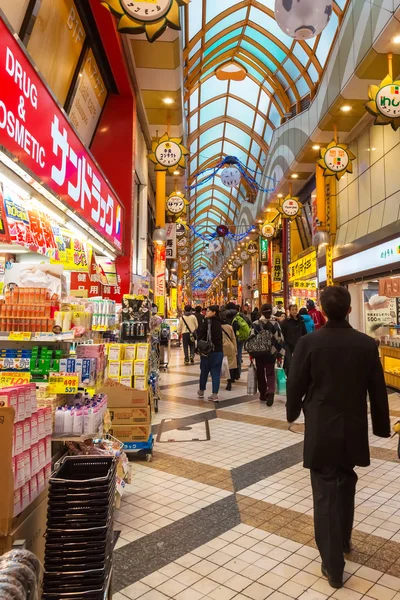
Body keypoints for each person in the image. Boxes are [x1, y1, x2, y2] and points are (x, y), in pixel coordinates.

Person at [286, 286, 390, 590]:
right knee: (347, 479)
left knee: (324, 488)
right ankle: (343, 540)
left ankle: (333, 565)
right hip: (353, 424)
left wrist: (293, 412)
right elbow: (377, 389)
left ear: (321, 308)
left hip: (321, 426)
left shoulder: (309, 343)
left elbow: (295, 384)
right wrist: (381, 427)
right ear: (349, 310)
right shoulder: (366, 344)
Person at [250, 303, 285, 406]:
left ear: (261, 312)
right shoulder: (276, 324)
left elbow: (251, 338)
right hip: (272, 351)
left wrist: (251, 354)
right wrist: (280, 354)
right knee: (270, 372)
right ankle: (271, 391)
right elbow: (280, 339)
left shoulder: (256, 323)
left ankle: (262, 394)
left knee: (260, 372)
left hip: (259, 352)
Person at [197, 306, 224, 401]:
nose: (206, 312)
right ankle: (215, 394)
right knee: (216, 373)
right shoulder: (220, 322)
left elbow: (200, 335)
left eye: (208, 311)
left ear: (214, 312)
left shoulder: (207, 322)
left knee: (204, 371)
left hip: (207, 351)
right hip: (218, 351)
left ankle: (201, 391)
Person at [280, 304, 307, 376]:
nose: (294, 311)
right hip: (288, 344)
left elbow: (304, 332)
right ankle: (288, 375)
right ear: (289, 311)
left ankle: (297, 376)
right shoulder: (286, 322)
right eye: (293, 309)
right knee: (288, 361)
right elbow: (282, 334)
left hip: (299, 343)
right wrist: (283, 344)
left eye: (296, 309)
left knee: (299, 361)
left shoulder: (301, 320)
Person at [221, 314, 238, 391]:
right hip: (230, 347)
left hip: (221, 348)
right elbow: (233, 339)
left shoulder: (217, 327)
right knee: (230, 365)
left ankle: (218, 380)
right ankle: (229, 382)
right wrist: (235, 348)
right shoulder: (230, 327)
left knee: (222, 364)